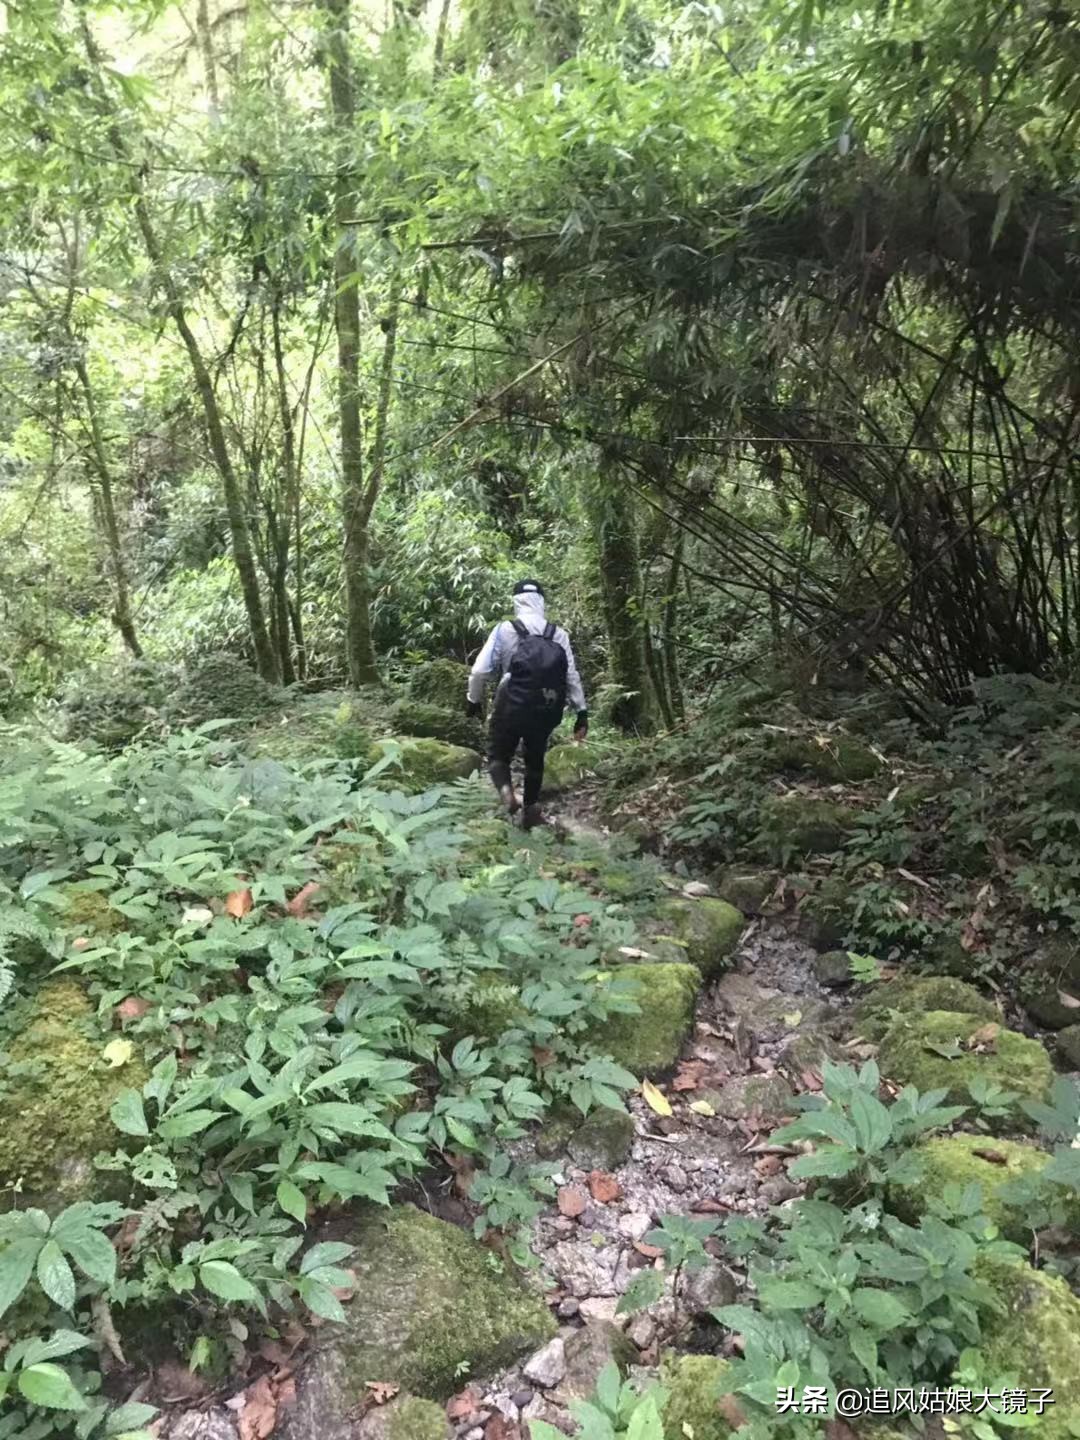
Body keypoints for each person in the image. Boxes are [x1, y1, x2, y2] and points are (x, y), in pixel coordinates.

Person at [467, 580, 588, 828]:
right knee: (535, 758)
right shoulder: (559, 634)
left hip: (510, 702)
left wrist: (473, 700)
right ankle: (531, 811)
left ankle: (507, 794)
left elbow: (479, 671)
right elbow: (571, 676)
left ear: (516, 601)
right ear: (542, 602)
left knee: (498, 754)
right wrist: (582, 712)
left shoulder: (505, 630)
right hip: (546, 706)